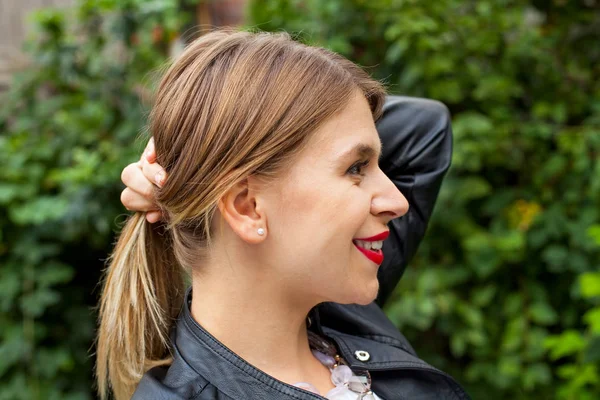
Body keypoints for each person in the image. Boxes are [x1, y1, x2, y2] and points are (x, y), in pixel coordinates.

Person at [98, 30, 469, 400]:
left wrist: (191, 152)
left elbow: (426, 126)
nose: (396, 201)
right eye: (356, 168)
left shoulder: (335, 308)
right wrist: (202, 156)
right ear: (247, 207)